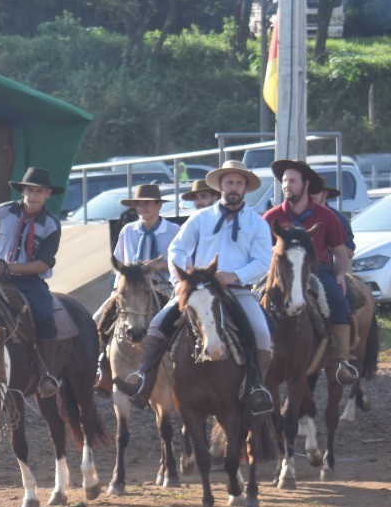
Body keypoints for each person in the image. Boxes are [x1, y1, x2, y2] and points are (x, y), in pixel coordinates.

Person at [118, 160, 275, 413]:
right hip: (197, 291)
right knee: (158, 324)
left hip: (237, 290)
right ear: (220, 187)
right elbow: (177, 250)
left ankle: (257, 387)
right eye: (229, 183)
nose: (233, 187)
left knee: (262, 334)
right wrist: (182, 281)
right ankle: (143, 379)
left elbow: (262, 260)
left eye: (238, 183)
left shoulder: (257, 223)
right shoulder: (200, 218)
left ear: (245, 187)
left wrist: (234, 275)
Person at [264, 159, 358, 383]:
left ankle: (342, 361)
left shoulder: (327, 217)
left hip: (318, 271)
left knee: (339, 304)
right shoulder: (271, 217)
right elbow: (259, 250)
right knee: (254, 304)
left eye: (292, 181)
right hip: (281, 270)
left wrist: (339, 274)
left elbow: (340, 252)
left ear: (306, 184)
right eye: (284, 181)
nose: (286, 185)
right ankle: (253, 360)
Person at [0, 167, 63, 398]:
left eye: (39, 191)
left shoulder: (51, 224)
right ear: (23, 191)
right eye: (30, 189)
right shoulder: (2, 212)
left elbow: (44, 264)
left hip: (29, 281)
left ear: (48, 194)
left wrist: (9, 268)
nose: (33, 195)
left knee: (44, 315)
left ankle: (47, 372)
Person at [94, 182, 172, 391]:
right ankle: (101, 366)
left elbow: (181, 264)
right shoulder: (128, 230)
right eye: (139, 205)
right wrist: (125, 276)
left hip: (160, 285)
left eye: (147, 204)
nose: (143, 208)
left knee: (180, 318)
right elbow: (117, 263)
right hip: (129, 288)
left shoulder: (174, 230)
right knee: (98, 318)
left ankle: (181, 362)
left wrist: (156, 265)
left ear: (158, 205)